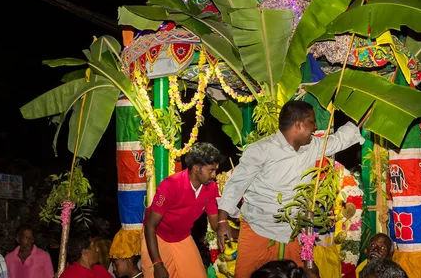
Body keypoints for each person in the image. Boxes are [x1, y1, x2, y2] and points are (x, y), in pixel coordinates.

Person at [217, 100, 364, 277]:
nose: (315, 126)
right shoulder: (260, 150)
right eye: (312, 121)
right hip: (258, 228)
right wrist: (222, 220)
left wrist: (360, 119)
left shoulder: (312, 146)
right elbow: (236, 184)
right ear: (298, 125)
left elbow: (338, 141)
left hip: (292, 231)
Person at [141, 142, 223, 278]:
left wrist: (234, 223)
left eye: (215, 170)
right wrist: (157, 263)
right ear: (196, 168)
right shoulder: (170, 186)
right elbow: (150, 225)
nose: (214, 175)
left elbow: (215, 224)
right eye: (211, 170)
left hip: (182, 237)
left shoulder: (211, 187)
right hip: (158, 237)